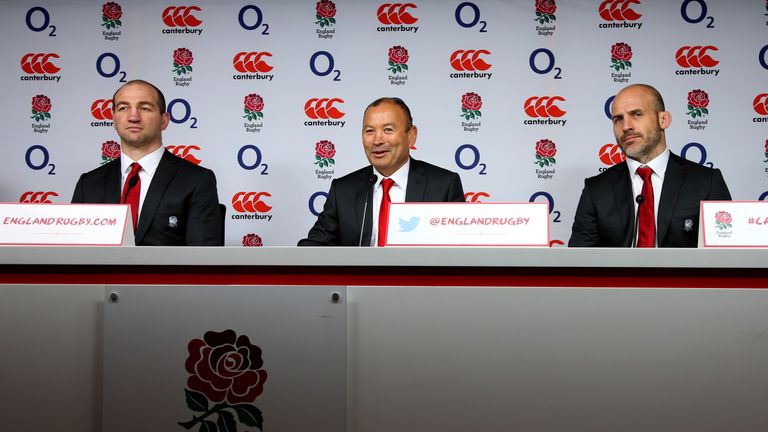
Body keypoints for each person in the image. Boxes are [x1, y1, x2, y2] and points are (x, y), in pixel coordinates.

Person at [569, 83, 731, 247]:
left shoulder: (707, 182)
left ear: (663, 120)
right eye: (618, 119)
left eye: (636, 114)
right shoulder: (596, 189)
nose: (626, 126)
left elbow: (725, 256)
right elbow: (578, 262)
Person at [72, 80, 223, 245]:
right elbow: (71, 256)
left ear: (164, 120)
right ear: (114, 119)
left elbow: (203, 262)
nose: (133, 117)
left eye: (145, 108)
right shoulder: (88, 184)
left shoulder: (197, 181)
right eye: (123, 108)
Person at [299, 97, 465, 246]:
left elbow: (460, 251)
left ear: (411, 136)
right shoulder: (343, 190)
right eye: (369, 131)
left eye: (388, 130)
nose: (377, 140)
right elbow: (313, 248)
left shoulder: (444, 186)